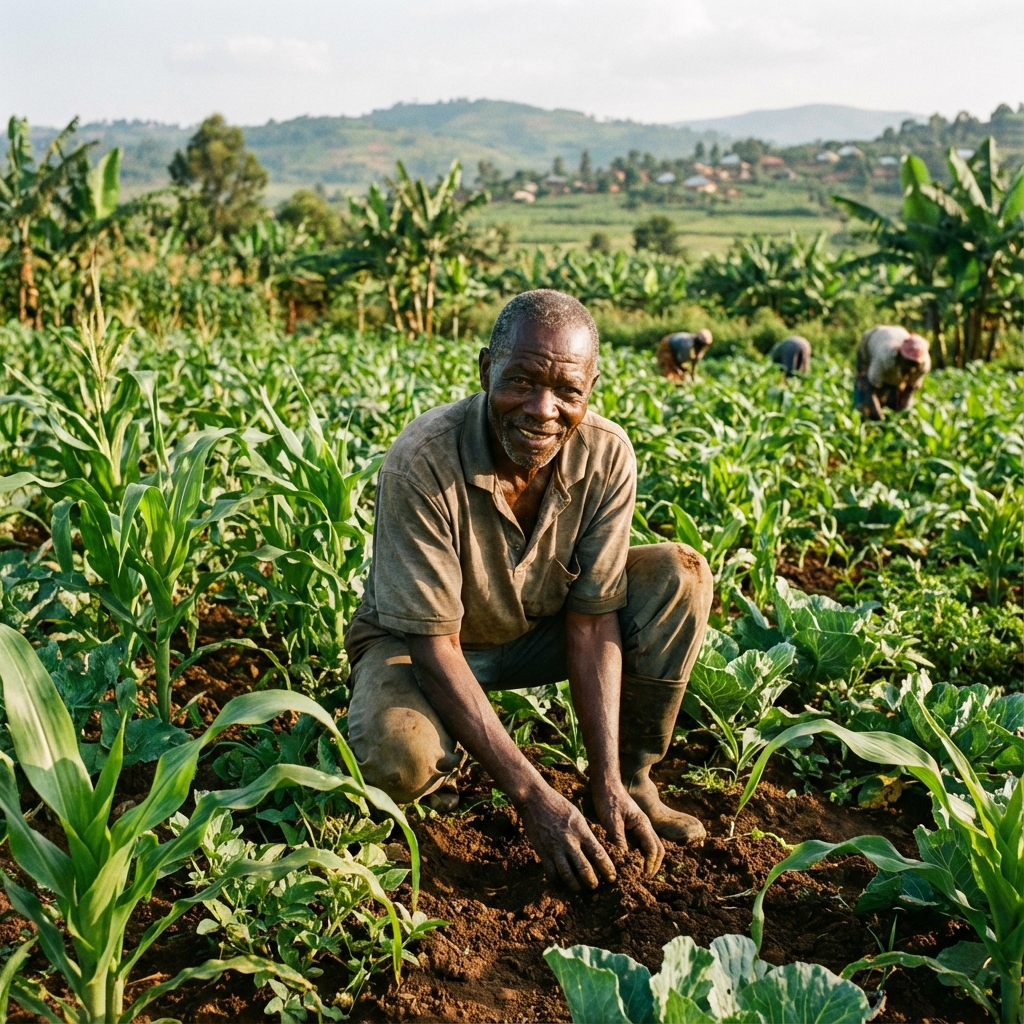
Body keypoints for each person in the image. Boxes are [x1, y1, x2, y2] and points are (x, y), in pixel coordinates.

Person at [344, 289, 713, 892]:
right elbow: (437, 650)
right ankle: (446, 758)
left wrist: (604, 778)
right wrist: (535, 799)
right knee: (399, 761)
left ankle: (634, 779)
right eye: (520, 381)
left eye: (568, 392)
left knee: (680, 574)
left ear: (590, 386)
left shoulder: (606, 456)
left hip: (532, 631)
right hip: (421, 645)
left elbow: (594, 620)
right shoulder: (423, 460)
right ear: (487, 368)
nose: (543, 409)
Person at [854, 326, 931, 420]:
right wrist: (879, 419)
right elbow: (870, 389)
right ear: (900, 355)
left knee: (893, 400)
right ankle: (862, 418)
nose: (910, 367)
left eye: (913, 364)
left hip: (895, 336)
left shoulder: (923, 365)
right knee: (863, 393)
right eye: (907, 362)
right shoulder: (885, 356)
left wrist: (901, 417)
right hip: (870, 343)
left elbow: (908, 391)